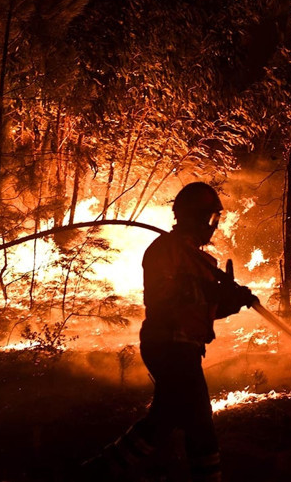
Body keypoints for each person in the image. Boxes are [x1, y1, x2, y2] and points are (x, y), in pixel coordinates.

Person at [81, 182, 257, 481]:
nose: (213, 227)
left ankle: (98, 470)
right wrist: (214, 292)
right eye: (210, 218)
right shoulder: (163, 251)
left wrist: (232, 300)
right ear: (194, 216)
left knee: (165, 419)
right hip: (167, 346)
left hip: (186, 347)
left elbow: (205, 309)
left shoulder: (203, 261)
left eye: (216, 220)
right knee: (200, 424)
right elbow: (166, 299)